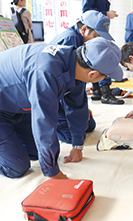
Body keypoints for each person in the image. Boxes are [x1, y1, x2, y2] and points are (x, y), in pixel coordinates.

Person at [0, 37, 122, 179]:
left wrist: (77, 145)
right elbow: (44, 122)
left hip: (13, 105)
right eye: (105, 76)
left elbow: (77, 107)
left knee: (35, 153)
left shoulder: (74, 62)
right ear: (93, 74)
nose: (105, 80)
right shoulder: (46, 71)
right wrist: (52, 173)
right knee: (16, 167)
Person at [49, 10, 115, 162]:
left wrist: (84, 109)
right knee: (71, 136)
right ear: (84, 29)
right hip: (56, 98)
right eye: (96, 36)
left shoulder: (80, 40)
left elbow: (77, 89)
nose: (98, 41)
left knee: (89, 125)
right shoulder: (69, 42)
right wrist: (77, 145)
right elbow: (71, 93)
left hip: (65, 94)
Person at [82, 0, 122, 105]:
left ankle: (97, 91)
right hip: (95, 31)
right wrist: (106, 13)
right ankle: (105, 93)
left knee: (99, 58)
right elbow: (87, 12)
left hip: (100, 30)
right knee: (102, 57)